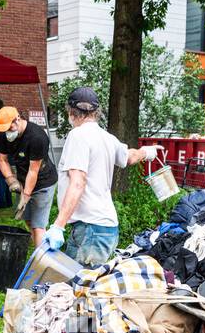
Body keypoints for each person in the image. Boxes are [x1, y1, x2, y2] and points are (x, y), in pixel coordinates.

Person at [46, 86, 158, 267]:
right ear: (96, 112)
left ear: (71, 111)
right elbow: (129, 157)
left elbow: (78, 182)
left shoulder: (78, 136)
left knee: (79, 288)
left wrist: (58, 226)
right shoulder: (106, 137)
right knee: (78, 286)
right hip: (104, 228)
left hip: (90, 228)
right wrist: (147, 152)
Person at [0, 106, 58, 247]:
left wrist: (26, 196)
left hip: (44, 182)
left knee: (38, 225)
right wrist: (11, 180)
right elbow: (2, 160)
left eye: (9, 127)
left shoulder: (37, 137)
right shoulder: (3, 134)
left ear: (17, 119)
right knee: (28, 220)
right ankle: (41, 248)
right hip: (23, 180)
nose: (7, 132)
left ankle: (41, 262)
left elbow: (33, 171)